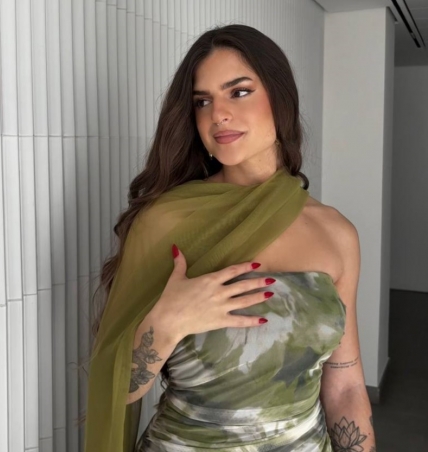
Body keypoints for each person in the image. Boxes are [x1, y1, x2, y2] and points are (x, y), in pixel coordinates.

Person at [83, 24, 376, 452]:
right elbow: (114, 389)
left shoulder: (337, 234)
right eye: (203, 101)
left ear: (281, 99)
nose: (217, 113)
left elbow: (346, 383)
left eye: (238, 92)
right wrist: (168, 323)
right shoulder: (166, 222)